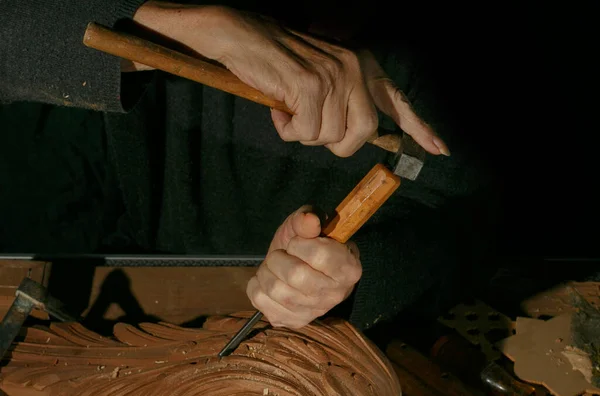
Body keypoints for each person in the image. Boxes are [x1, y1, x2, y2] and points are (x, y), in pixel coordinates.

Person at [0, 0, 497, 331]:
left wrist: (360, 274)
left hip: (342, 334)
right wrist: (197, 27)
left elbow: (476, 231)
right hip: (127, 296)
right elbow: (16, 48)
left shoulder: (439, 60)